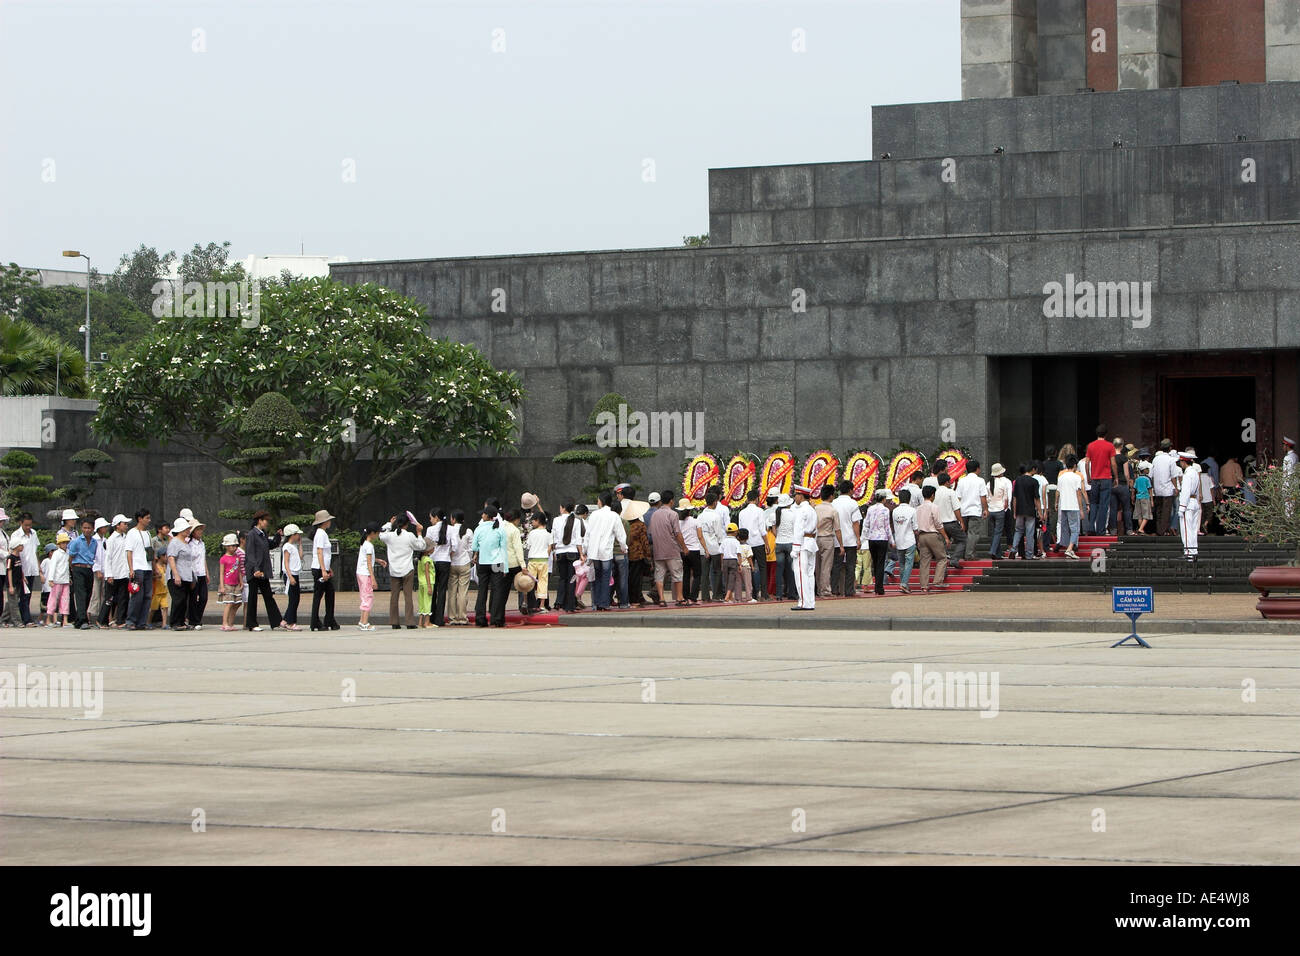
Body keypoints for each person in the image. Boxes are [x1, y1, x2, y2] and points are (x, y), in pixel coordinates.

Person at [381, 514, 426, 629]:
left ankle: (394, 622)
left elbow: (381, 534)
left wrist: (389, 524)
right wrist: (419, 534)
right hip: (407, 569)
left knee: (394, 597)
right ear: (407, 524)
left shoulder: (390, 536)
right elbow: (421, 546)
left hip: (394, 570)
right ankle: (410, 622)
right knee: (408, 597)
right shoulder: (409, 536)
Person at [584, 491, 626, 612]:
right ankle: (604, 603)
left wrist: (585, 549)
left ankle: (596, 603)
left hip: (594, 551)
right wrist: (624, 547)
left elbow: (588, 534)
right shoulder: (614, 516)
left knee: (597, 576)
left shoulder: (594, 515)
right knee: (606, 577)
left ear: (601, 501)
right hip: (606, 550)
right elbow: (620, 534)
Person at [245, 510, 285, 632]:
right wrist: (255, 569)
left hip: (263, 571)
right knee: (253, 597)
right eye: (265, 520)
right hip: (255, 571)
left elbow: (271, 545)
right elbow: (250, 554)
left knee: (268, 596)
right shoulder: (252, 534)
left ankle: (276, 621)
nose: (267, 523)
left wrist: (278, 536)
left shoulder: (263, 534)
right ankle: (251, 624)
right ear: (259, 521)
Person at [647, 490, 689, 606]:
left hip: (658, 550)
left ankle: (661, 599)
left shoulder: (655, 514)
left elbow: (650, 532)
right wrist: (684, 547)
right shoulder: (673, 514)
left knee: (659, 575)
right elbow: (677, 533)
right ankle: (680, 597)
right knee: (677, 574)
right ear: (671, 501)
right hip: (671, 549)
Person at [471, 507, 507, 627]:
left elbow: (474, 547)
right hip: (497, 562)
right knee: (497, 591)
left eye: (483, 514)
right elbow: (503, 549)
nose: (482, 516)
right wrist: (505, 567)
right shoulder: (500, 529)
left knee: (482, 590)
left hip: (483, 562)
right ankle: (496, 618)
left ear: (486, 516)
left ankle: (480, 618)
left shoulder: (479, 529)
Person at [913, 485, 949, 593]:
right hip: (933, 534)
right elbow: (938, 524)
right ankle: (937, 580)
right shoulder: (934, 507)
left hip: (922, 535)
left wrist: (918, 539)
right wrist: (945, 537)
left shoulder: (918, 509)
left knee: (924, 561)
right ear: (932, 495)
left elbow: (916, 525)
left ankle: (924, 585)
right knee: (942, 558)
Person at [551, 500, 584, 613]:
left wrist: (554, 551)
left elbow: (554, 537)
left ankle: (560, 603)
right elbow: (578, 539)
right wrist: (581, 554)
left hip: (560, 552)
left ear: (563, 508)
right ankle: (570, 605)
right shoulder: (577, 521)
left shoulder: (556, 520)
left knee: (562, 578)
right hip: (572, 552)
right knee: (572, 579)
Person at [493, 509, 526, 626]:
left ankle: (497, 618)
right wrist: (523, 565)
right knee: (523, 586)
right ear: (516, 519)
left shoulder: (499, 528)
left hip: (499, 563)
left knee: (500, 591)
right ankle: (526, 608)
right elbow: (518, 549)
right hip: (513, 564)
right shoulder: (514, 530)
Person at [829, 480, 861, 598]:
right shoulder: (853, 504)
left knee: (836, 566)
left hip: (836, 539)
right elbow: (855, 523)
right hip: (850, 539)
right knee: (850, 566)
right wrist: (858, 539)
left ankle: (834, 589)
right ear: (850, 490)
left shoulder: (833, 503)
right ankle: (849, 590)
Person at [789, 485, 818, 611]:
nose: (795, 497)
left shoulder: (802, 510)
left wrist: (795, 548)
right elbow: (816, 528)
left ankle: (803, 602)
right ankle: (810, 602)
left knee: (800, 573)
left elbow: (798, 530)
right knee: (810, 574)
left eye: (796, 495)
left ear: (801, 496)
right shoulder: (812, 509)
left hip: (802, 543)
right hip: (811, 542)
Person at [738, 491, 771, 600]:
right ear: (757, 499)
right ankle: (764, 594)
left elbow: (741, 529)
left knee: (750, 568)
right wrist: (767, 543)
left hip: (747, 543)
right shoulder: (760, 511)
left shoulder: (742, 513)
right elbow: (762, 529)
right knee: (762, 568)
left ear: (747, 499)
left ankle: (753, 593)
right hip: (758, 542)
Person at [98, 514, 130, 628]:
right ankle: (102, 620)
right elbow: (108, 558)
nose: (126, 526)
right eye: (124, 524)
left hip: (123, 573)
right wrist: (109, 575)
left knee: (123, 598)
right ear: (117, 525)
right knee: (109, 599)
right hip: (113, 573)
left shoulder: (126, 538)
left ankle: (121, 620)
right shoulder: (111, 539)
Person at [124, 509, 154, 630]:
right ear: (140, 519)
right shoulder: (132, 533)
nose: (149, 520)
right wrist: (131, 569)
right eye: (147, 518)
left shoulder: (148, 533)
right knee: (137, 596)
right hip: (137, 568)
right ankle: (131, 621)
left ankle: (142, 622)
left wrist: (154, 567)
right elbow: (129, 552)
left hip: (148, 567)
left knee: (147, 596)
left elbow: (150, 552)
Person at [309, 510, 338, 631]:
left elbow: (325, 554)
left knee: (329, 593)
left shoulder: (322, 533)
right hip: (319, 568)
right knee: (319, 595)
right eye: (328, 520)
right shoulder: (321, 533)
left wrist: (328, 568)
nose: (330, 522)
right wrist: (323, 570)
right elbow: (319, 552)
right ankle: (315, 621)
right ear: (324, 522)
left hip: (322, 567)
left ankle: (329, 619)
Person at [9, 513, 40, 626]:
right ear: (20, 523)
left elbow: (35, 551)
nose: (28, 527)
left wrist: (39, 568)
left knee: (28, 594)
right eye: (26, 525)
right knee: (23, 595)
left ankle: (25, 617)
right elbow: (14, 553)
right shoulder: (16, 535)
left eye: (30, 525)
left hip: (32, 568)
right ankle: (26, 619)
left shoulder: (34, 533)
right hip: (21, 569)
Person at [813, 485, 844, 598]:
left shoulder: (815, 508)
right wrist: (841, 545)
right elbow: (837, 529)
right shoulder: (833, 510)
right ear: (831, 496)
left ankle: (818, 589)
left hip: (815, 538)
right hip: (827, 539)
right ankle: (825, 590)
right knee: (826, 566)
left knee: (817, 566)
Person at [862, 489, 893, 596]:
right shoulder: (885, 510)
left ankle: (877, 585)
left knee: (875, 563)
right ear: (884, 499)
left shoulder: (870, 509)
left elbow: (866, 525)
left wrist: (863, 539)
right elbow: (887, 527)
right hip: (882, 538)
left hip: (872, 538)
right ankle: (879, 587)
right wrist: (892, 540)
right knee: (880, 563)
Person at [67, 518, 97, 629]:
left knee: (89, 594)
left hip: (89, 568)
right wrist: (72, 570)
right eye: (85, 528)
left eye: (89, 528)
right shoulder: (76, 541)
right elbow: (71, 557)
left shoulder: (94, 542)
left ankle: (79, 620)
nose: (87, 530)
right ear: (81, 529)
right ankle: (83, 620)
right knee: (81, 594)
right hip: (78, 568)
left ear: (93, 529)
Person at [955, 460, 988, 561]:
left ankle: (964, 553)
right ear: (977, 469)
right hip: (975, 510)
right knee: (973, 533)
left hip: (963, 511)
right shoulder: (980, 481)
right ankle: (969, 554)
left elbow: (958, 498)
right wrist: (985, 509)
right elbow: (983, 497)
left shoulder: (962, 481)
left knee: (964, 534)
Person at [166, 517, 194, 631]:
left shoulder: (186, 543)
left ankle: (181, 621)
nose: (188, 531)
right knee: (178, 599)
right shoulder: (174, 542)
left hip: (186, 575)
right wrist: (176, 574)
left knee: (184, 599)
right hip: (176, 575)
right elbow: (171, 558)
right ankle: (175, 622)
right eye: (186, 529)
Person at [426, 509, 453, 626]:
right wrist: (448, 553)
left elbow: (426, 545)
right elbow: (455, 546)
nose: (430, 520)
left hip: (433, 561)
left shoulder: (430, 530)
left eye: (431, 518)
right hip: (445, 561)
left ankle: (430, 618)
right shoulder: (451, 529)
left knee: (433, 590)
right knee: (442, 591)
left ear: (436, 517)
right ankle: (439, 619)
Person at [696, 492, 725, 603]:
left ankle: (705, 595)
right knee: (717, 571)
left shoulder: (700, 516)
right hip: (714, 547)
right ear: (715, 502)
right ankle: (717, 595)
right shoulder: (716, 516)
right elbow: (719, 533)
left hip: (703, 547)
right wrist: (721, 545)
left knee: (704, 573)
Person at [1056, 455, 1086, 559]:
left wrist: (1056, 503)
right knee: (1075, 529)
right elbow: (1079, 493)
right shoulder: (1077, 477)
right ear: (1074, 465)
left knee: (1065, 528)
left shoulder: (1061, 477)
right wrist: (1082, 509)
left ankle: (1069, 548)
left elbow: (1058, 492)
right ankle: (1070, 549)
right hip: (1073, 505)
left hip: (1063, 505)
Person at [890, 490, 918, 594]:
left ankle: (904, 583)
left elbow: (894, 525)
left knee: (901, 563)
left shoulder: (895, 511)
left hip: (899, 539)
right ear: (909, 499)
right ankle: (904, 583)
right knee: (909, 563)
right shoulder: (912, 510)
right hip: (909, 539)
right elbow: (915, 527)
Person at [447, 514, 473, 625]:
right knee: (463, 592)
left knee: (452, 592)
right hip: (464, 563)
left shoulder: (450, 530)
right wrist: (470, 559)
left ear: (453, 519)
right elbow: (471, 548)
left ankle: (452, 618)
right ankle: (462, 618)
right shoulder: (468, 531)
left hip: (452, 563)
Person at [1010, 463, 1040, 560]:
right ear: (1033, 470)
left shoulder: (1017, 481)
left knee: (1018, 530)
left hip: (1019, 509)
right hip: (1030, 510)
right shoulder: (1034, 481)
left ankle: (1013, 550)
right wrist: (1039, 511)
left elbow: (1015, 497)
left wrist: (1014, 511)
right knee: (1030, 533)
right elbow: (1036, 498)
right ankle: (1029, 554)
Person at [935, 472, 965, 568]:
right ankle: (955, 559)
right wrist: (961, 521)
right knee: (963, 540)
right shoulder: (950, 492)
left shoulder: (935, 493)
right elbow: (956, 508)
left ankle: (943, 570)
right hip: (951, 522)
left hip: (940, 524)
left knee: (942, 546)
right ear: (947, 482)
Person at [525, 513, 552, 613]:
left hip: (532, 560)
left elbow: (528, 546)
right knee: (543, 582)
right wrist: (546, 555)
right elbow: (550, 548)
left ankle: (528, 603)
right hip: (543, 560)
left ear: (537, 520)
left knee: (529, 582)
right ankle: (541, 605)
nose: (532, 522)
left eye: (533, 520)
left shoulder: (532, 533)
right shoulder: (548, 534)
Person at [772, 493, 797, 600]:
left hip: (779, 543)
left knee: (779, 570)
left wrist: (779, 537)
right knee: (790, 569)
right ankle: (791, 593)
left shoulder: (775, 513)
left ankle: (779, 594)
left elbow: (773, 529)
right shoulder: (792, 513)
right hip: (790, 542)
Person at [356, 526, 382, 630]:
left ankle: (362, 621)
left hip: (360, 573)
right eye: (377, 532)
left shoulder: (364, 544)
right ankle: (365, 622)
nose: (378, 534)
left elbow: (367, 559)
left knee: (364, 596)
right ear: (372, 533)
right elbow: (368, 563)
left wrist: (377, 560)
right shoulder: (369, 545)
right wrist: (373, 578)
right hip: (366, 574)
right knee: (368, 597)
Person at [1177, 451, 1202, 559]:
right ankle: (1193, 551)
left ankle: (1188, 552)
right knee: (1192, 530)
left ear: (1184, 462)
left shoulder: (1187, 474)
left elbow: (1186, 492)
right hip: (1194, 502)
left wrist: (1182, 507)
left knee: (1186, 530)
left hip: (1187, 504)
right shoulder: (1195, 472)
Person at [1150, 439, 1177, 535]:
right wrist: (1176, 488)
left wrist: (1153, 487)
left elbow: (1151, 475)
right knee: (1166, 511)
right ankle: (1163, 530)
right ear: (1170, 448)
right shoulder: (1171, 460)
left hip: (1157, 489)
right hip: (1167, 489)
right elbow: (1173, 476)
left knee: (1159, 511)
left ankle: (1159, 529)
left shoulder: (1155, 459)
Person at [280, 524, 304, 630]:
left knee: (295, 598)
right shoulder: (287, 546)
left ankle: (285, 620)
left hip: (295, 574)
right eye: (297, 534)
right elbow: (286, 562)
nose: (298, 536)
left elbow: (301, 556)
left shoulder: (293, 546)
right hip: (291, 575)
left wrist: (300, 544)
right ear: (292, 535)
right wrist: (290, 576)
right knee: (294, 599)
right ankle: (290, 622)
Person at [986, 463, 1013, 559]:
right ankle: (993, 550)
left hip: (991, 509)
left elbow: (987, 498)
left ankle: (997, 553)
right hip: (1000, 510)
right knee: (998, 532)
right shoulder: (1004, 483)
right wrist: (1004, 509)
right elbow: (1006, 499)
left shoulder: (989, 483)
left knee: (994, 533)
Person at [44, 532, 71, 627]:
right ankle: (48, 619)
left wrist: (69, 578)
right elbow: (53, 567)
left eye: (66, 542)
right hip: (56, 580)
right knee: (53, 599)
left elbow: (67, 567)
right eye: (63, 543)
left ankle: (65, 620)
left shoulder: (67, 553)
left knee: (65, 600)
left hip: (65, 580)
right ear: (59, 544)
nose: (65, 544)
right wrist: (51, 579)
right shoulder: (56, 554)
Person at [87, 516, 109, 626]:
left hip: (105, 571)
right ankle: (91, 616)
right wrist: (97, 570)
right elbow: (93, 556)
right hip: (96, 571)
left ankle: (100, 617)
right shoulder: (94, 540)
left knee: (103, 594)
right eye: (104, 527)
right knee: (95, 594)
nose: (106, 529)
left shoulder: (106, 540)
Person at [218, 534, 243, 631]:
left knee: (237, 603)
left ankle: (231, 623)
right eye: (231, 546)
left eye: (235, 545)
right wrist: (222, 586)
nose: (233, 548)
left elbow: (239, 571)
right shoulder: (223, 558)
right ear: (226, 546)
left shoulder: (237, 557)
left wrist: (241, 582)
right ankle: (224, 623)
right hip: (227, 583)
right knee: (229, 603)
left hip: (236, 583)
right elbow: (221, 573)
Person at [187, 518, 209, 629]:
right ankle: (194, 620)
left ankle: (197, 618)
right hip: (193, 574)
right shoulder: (189, 544)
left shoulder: (202, 544)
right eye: (198, 529)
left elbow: (203, 559)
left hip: (202, 573)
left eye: (201, 529)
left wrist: (207, 573)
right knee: (193, 598)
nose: (200, 531)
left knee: (204, 598)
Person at [679, 505, 703, 603]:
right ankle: (693, 597)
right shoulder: (696, 521)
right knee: (697, 574)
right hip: (694, 550)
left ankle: (685, 596)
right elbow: (700, 536)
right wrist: (706, 549)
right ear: (690, 511)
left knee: (686, 574)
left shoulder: (678, 522)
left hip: (683, 550)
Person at [720, 523, 742, 603]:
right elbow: (739, 554)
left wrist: (722, 564)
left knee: (726, 579)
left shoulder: (724, 541)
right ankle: (727, 597)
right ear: (736, 532)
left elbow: (721, 553)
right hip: (733, 561)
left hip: (725, 560)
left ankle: (730, 597)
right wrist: (740, 564)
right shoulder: (736, 542)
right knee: (732, 579)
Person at [1133, 460, 1154, 533]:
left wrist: (1132, 496)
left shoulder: (1137, 479)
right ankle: (1141, 529)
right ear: (1144, 470)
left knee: (1139, 515)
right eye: (1147, 469)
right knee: (1146, 515)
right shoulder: (1147, 479)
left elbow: (1134, 488)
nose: (1148, 470)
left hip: (1138, 497)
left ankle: (1141, 529)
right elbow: (1150, 490)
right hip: (1145, 497)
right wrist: (1152, 500)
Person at [736, 528, 756, 603]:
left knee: (738, 583)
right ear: (747, 537)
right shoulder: (748, 547)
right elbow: (749, 557)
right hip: (746, 567)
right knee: (748, 583)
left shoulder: (736, 546)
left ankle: (738, 598)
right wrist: (752, 566)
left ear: (737, 537)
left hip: (738, 566)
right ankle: (749, 597)